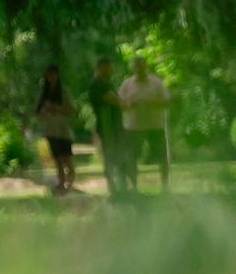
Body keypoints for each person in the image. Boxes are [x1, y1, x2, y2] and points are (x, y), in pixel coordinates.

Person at [120, 57, 173, 192]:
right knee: (132, 157)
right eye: (137, 66)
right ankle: (134, 187)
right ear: (134, 68)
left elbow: (167, 101)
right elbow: (120, 104)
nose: (140, 69)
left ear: (146, 67)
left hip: (155, 126)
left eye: (142, 66)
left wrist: (151, 103)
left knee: (162, 156)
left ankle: (165, 186)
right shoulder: (127, 84)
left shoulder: (156, 83)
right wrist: (130, 105)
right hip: (133, 127)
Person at [87, 56, 134, 195]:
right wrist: (123, 102)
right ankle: (114, 189)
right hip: (107, 128)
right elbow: (118, 102)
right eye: (108, 67)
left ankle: (122, 187)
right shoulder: (97, 84)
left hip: (115, 127)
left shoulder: (107, 83)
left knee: (119, 156)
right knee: (110, 157)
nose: (111, 70)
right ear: (101, 68)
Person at [35, 65, 78, 195]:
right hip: (50, 130)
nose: (51, 77)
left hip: (63, 131)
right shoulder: (43, 94)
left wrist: (56, 108)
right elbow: (37, 113)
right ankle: (61, 186)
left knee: (67, 160)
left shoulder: (63, 92)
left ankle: (68, 185)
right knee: (58, 160)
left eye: (53, 74)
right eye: (49, 75)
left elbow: (72, 111)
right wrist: (44, 110)